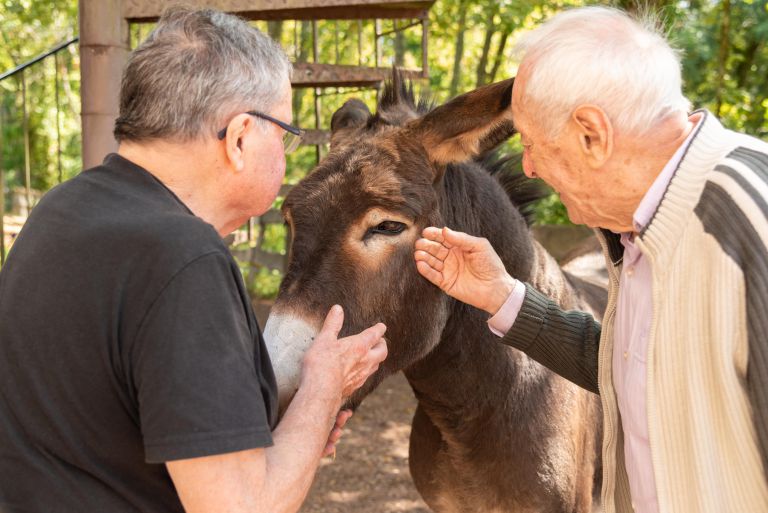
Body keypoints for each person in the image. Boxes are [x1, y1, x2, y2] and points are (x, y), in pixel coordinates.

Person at [0, 7, 387, 513]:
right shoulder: (185, 260)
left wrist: (295, 430)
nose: (288, 155)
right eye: (286, 134)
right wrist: (324, 388)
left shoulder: (61, 208)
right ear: (242, 137)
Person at [414, 6, 768, 513]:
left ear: (591, 134)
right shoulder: (645, 225)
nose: (530, 168)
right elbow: (631, 366)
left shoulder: (750, 220)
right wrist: (500, 294)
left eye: (533, 145)